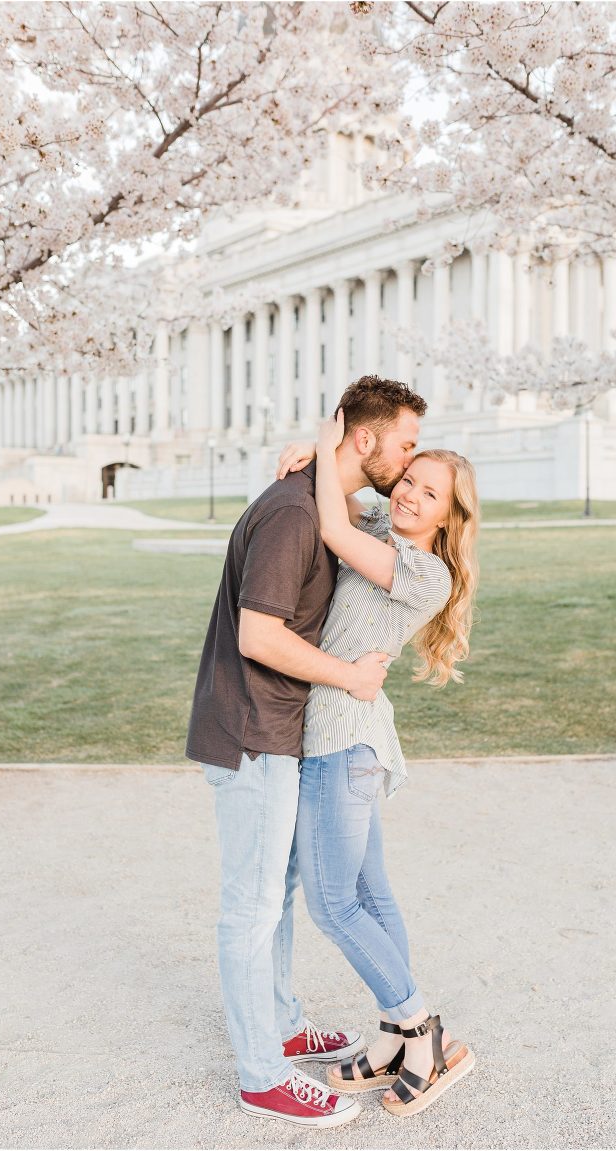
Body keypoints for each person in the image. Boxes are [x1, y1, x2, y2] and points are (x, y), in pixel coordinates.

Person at [186, 376, 428, 1128]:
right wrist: (351, 676)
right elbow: (259, 636)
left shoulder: (326, 502)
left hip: (281, 731)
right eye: (406, 444)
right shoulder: (293, 514)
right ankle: (262, 1072)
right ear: (366, 440)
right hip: (253, 729)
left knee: (280, 891)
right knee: (252, 906)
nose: (411, 459)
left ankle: (284, 1021)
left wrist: (316, 447)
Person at [276, 409, 480, 1117]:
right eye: (410, 479)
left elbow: (330, 527)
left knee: (334, 903)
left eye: (430, 493)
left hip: (344, 742)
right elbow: (338, 499)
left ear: (449, 517)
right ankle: (397, 1035)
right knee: (372, 891)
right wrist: (317, 453)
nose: (410, 494)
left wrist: (329, 433)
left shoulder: (423, 572)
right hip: (347, 738)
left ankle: (424, 1028)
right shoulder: (379, 534)